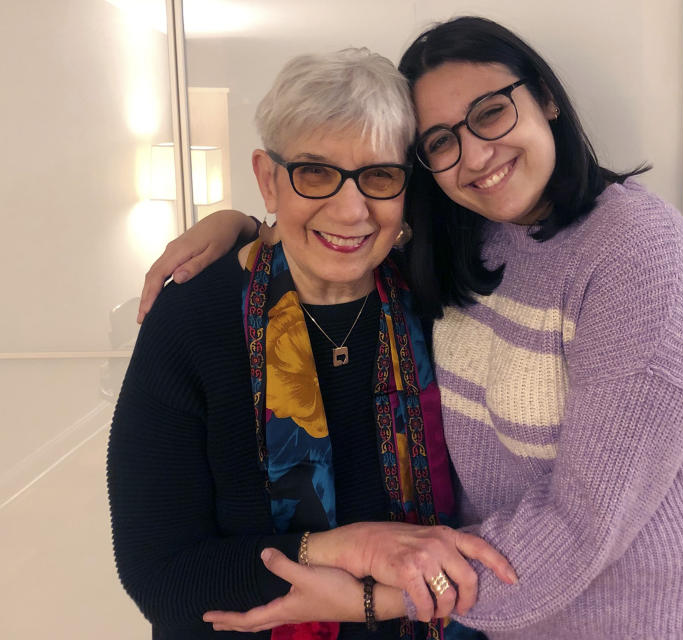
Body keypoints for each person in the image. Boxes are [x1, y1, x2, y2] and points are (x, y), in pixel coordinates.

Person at [142, 17, 683, 639]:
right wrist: (243, 224)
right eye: (442, 141)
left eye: (492, 112)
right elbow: (161, 571)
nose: (475, 154)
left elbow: (587, 515)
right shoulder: (457, 251)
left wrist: (375, 597)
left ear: (545, 98)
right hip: (493, 618)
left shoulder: (617, 251)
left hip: (618, 617)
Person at [107, 47, 517, 640]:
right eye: (316, 173)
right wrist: (345, 548)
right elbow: (162, 576)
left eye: (378, 176)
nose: (351, 211)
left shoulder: (443, 299)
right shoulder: (193, 318)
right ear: (268, 179)